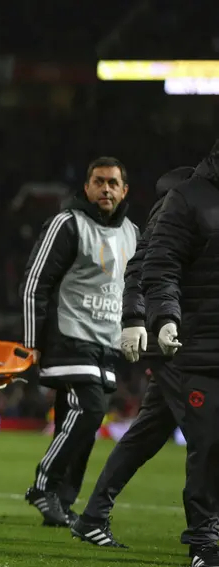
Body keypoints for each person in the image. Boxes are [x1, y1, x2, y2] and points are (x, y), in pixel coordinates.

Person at [70, 166, 194, 548]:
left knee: (145, 435)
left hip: (188, 339)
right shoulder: (177, 212)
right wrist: (136, 320)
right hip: (177, 340)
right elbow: (144, 268)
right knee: (205, 435)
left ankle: (92, 516)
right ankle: (205, 533)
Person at [20, 157, 138, 527]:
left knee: (81, 422)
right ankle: (44, 486)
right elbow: (36, 282)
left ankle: (61, 502)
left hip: (107, 342)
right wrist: (32, 340)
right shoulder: (67, 224)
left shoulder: (133, 233)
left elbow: (136, 288)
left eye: (113, 183)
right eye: (99, 181)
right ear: (86, 187)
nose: (106, 189)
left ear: (124, 191)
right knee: (89, 410)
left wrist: (136, 327)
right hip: (69, 336)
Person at [142, 142, 219, 567]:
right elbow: (160, 261)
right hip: (204, 346)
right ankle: (205, 543)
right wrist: (165, 316)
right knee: (209, 445)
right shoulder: (187, 198)